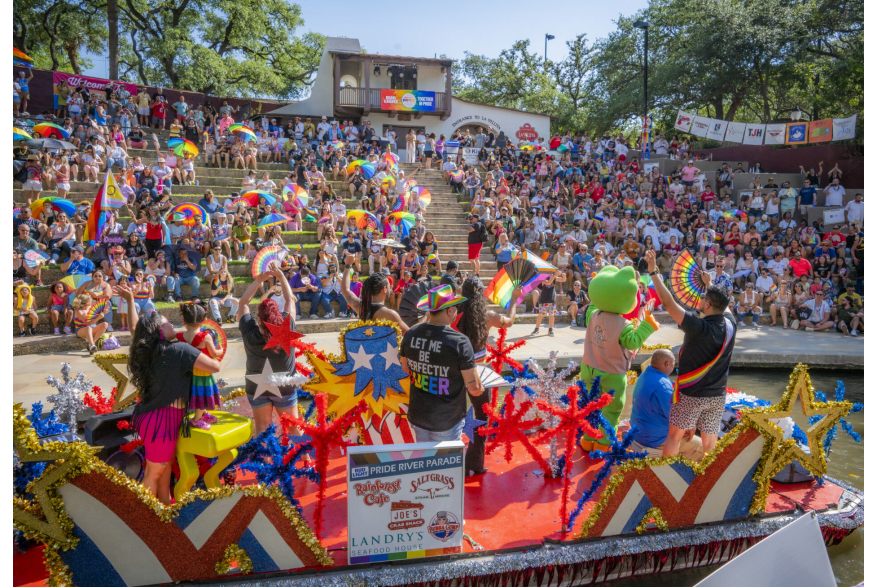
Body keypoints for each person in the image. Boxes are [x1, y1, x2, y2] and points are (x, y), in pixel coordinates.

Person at [123, 284, 221, 505]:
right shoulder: (180, 350)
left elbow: (134, 327)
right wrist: (211, 347)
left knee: (164, 468)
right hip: (162, 420)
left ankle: (165, 506)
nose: (172, 325)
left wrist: (130, 300)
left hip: (152, 417)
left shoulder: (147, 350)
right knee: (154, 473)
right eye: (168, 323)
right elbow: (214, 367)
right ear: (159, 329)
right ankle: (146, 518)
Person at [645, 250, 736, 458]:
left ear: (706, 304)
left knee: (674, 437)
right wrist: (709, 283)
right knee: (710, 443)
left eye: (704, 298)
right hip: (717, 395)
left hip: (691, 395)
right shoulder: (731, 324)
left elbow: (668, 303)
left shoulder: (698, 327)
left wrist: (653, 273)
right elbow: (724, 305)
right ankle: (709, 481)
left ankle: (667, 475)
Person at [453, 276, 521, 475]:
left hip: (454, 373)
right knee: (482, 418)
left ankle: (449, 461)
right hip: (478, 374)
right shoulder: (487, 315)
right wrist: (514, 299)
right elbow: (508, 322)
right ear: (481, 294)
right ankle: (473, 464)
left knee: (453, 418)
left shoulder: (453, 313)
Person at [400, 285, 484, 442]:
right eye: (455, 307)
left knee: (424, 461)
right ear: (449, 311)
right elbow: (474, 388)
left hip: (419, 415)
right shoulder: (460, 342)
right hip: (447, 419)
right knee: (447, 464)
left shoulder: (410, 334)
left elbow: (405, 368)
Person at [238, 267, 304, 437]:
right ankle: (306, 460)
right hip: (284, 387)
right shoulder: (287, 327)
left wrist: (259, 280)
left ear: (258, 318)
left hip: (256, 386)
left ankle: (265, 462)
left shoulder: (249, 332)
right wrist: (281, 276)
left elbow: (243, 303)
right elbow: (290, 300)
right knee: (293, 426)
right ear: (277, 316)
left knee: (261, 428)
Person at [629, 349, 705, 461]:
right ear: (667, 364)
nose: (673, 367)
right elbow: (679, 420)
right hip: (656, 440)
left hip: (639, 432)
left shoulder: (644, 375)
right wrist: (691, 426)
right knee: (706, 449)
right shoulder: (663, 386)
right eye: (673, 364)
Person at [174, 304, 224, 431]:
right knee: (203, 395)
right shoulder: (205, 337)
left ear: (183, 320)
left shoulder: (180, 337)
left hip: (189, 373)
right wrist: (221, 350)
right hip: (204, 372)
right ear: (203, 320)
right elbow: (213, 353)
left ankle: (202, 413)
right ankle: (196, 420)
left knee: (197, 394)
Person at [341, 265, 409, 333]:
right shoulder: (391, 315)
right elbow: (410, 335)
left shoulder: (361, 307)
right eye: (389, 287)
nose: (390, 289)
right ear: (384, 289)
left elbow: (345, 291)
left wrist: (347, 265)